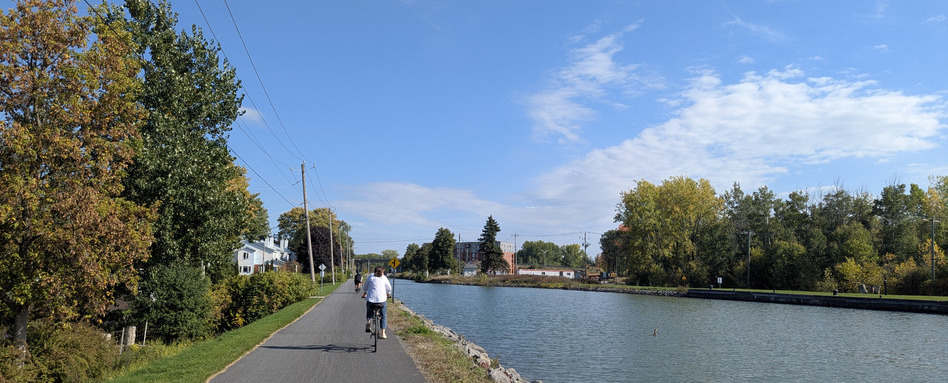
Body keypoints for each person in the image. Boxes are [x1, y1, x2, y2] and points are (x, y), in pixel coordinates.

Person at [361, 266, 392, 339]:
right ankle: (383, 333)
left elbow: (365, 286)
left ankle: (368, 322)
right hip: (381, 300)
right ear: (382, 272)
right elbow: (389, 288)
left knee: (369, 313)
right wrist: (388, 294)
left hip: (371, 300)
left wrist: (364, 294)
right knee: (383, 315)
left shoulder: (370, 277)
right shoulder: (384, 278)